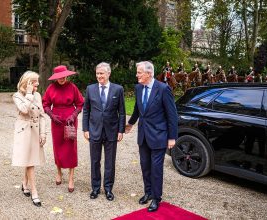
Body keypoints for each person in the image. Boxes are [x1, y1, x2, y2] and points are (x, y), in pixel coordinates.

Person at [125, 61, 178, 212]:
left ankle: (156, 197)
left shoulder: (163, 89)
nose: (137, 75)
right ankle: (148, 192)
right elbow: (137, 108)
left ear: (149, 73)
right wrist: (130, 123)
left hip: (159, 136)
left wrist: (172, 137)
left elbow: (172, 115)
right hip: (143, 135)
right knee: (145, 167)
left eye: (139, 72)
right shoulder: (138, 88)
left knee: (156, 168)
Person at [82, 62, 126, 201]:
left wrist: (121, 130)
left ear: (108, 74)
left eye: (101, 73)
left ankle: (108, 189)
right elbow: (86, 111)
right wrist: (85, 129)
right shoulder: (90, 89)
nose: (99, 76)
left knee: (110, 162)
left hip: (111, 131)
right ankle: (95, 188)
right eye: (97, 73)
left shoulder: (118, 89)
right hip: (94, 131)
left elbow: (122, 112)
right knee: (95, 161)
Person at [42, 65, 84, 193]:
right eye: (59, 77)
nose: (61, 79)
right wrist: (51, 115)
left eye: (63, 76)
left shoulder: (72, 87)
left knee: (71, 147)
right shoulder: (51, 88)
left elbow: (80, 103)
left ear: (67, 75)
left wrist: (73, 115)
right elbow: (45, 104)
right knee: (58, 146)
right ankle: (59, 172)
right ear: (56, 77)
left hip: (70, 121)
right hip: (57, 121)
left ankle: (71, 177)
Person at [11, 71, 47, 207]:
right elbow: (24, 109)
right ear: (28, 82)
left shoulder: (38, 95)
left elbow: (42, 115)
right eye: (35, 82)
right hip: (24, 131)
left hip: (36, 131)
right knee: (30, 161)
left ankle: (24, 183)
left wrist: (43, 133)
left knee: (29, 158)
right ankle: (34, 191)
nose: (37, 85)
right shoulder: (17, 96)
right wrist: (29, 94)